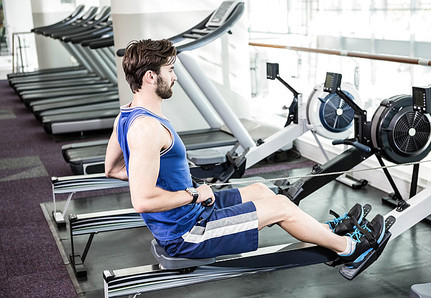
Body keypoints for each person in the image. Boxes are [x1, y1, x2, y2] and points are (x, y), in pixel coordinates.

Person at [105, 38, 385, 266]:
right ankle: (350, 248)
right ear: (152, 77)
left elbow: (113, 169)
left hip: (189, 210)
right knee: (281, 208)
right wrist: (190, 194)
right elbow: (142, 201)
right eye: (170, 71)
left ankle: (326, 232)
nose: (175, 77)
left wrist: (162, 183)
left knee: (263, 190)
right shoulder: (147, 128)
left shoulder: (126, 116)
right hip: (187, 232)